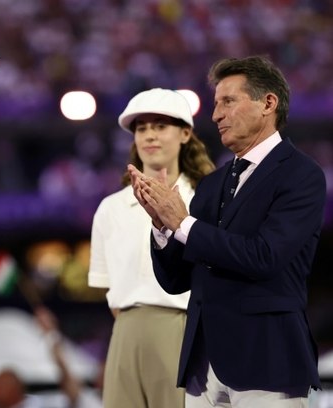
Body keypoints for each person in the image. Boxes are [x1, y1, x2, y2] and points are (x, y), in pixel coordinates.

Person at [129, 56, 325, 407]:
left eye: (228, 101)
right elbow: (177, 280)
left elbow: (264, 257)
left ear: (268, 103)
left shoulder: (302, 175)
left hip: (266, 363)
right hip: (203, 367)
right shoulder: (212, 184)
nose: (216, 114)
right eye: (216, 104)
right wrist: (162, 227)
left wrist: (183, 224)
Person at [88, 88, 215, 407]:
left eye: (160, 126)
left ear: (185, 133)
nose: (150, 135)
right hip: (125, 329)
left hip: (184, 328)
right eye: (141, 128)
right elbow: (108, 289)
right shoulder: (110, 208)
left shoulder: (204, 200)